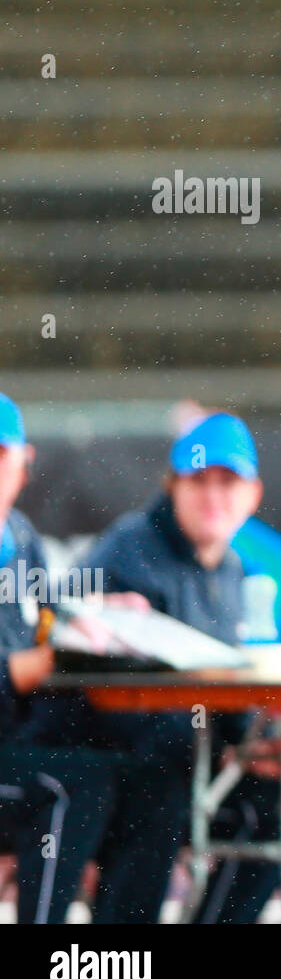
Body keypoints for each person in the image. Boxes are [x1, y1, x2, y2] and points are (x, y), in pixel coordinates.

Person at [24, 412, 281, 922]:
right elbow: (72, 663)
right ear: (172, 486)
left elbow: (220, 681)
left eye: (228, 482)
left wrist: (248, 743)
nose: (213, 496)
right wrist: (97, 619)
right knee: (243, 812)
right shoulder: (128, 551)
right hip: (121, 758)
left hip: (187, 757)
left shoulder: (230, 568)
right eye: (198, 481)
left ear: (253, 495)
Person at [0, 393, 127, 924]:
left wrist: (102, 615)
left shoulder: (21, 537)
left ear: (24, 462)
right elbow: (25, 663)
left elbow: (46, 618)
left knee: (146, 782)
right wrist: (17, 672)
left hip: (15, 743)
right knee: (74, 786)